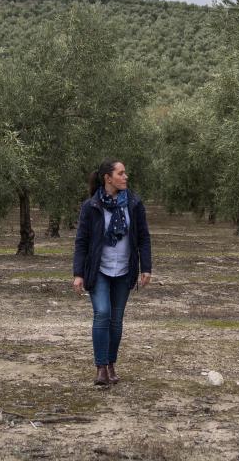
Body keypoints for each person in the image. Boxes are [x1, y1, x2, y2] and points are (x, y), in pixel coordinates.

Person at [72, 160, 152, 386]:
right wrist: (78, 273)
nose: (126, 177)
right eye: (121, 173)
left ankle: (110, 364)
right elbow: (82, 241)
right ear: (108, 178)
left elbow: (144, 238)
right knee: (102, 313)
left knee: (116, 320)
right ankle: (100, 368)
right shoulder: (91, 206)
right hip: (99, 270)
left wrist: (146, 267)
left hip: (124, 270)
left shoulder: (134, 204)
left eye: (125, 173)